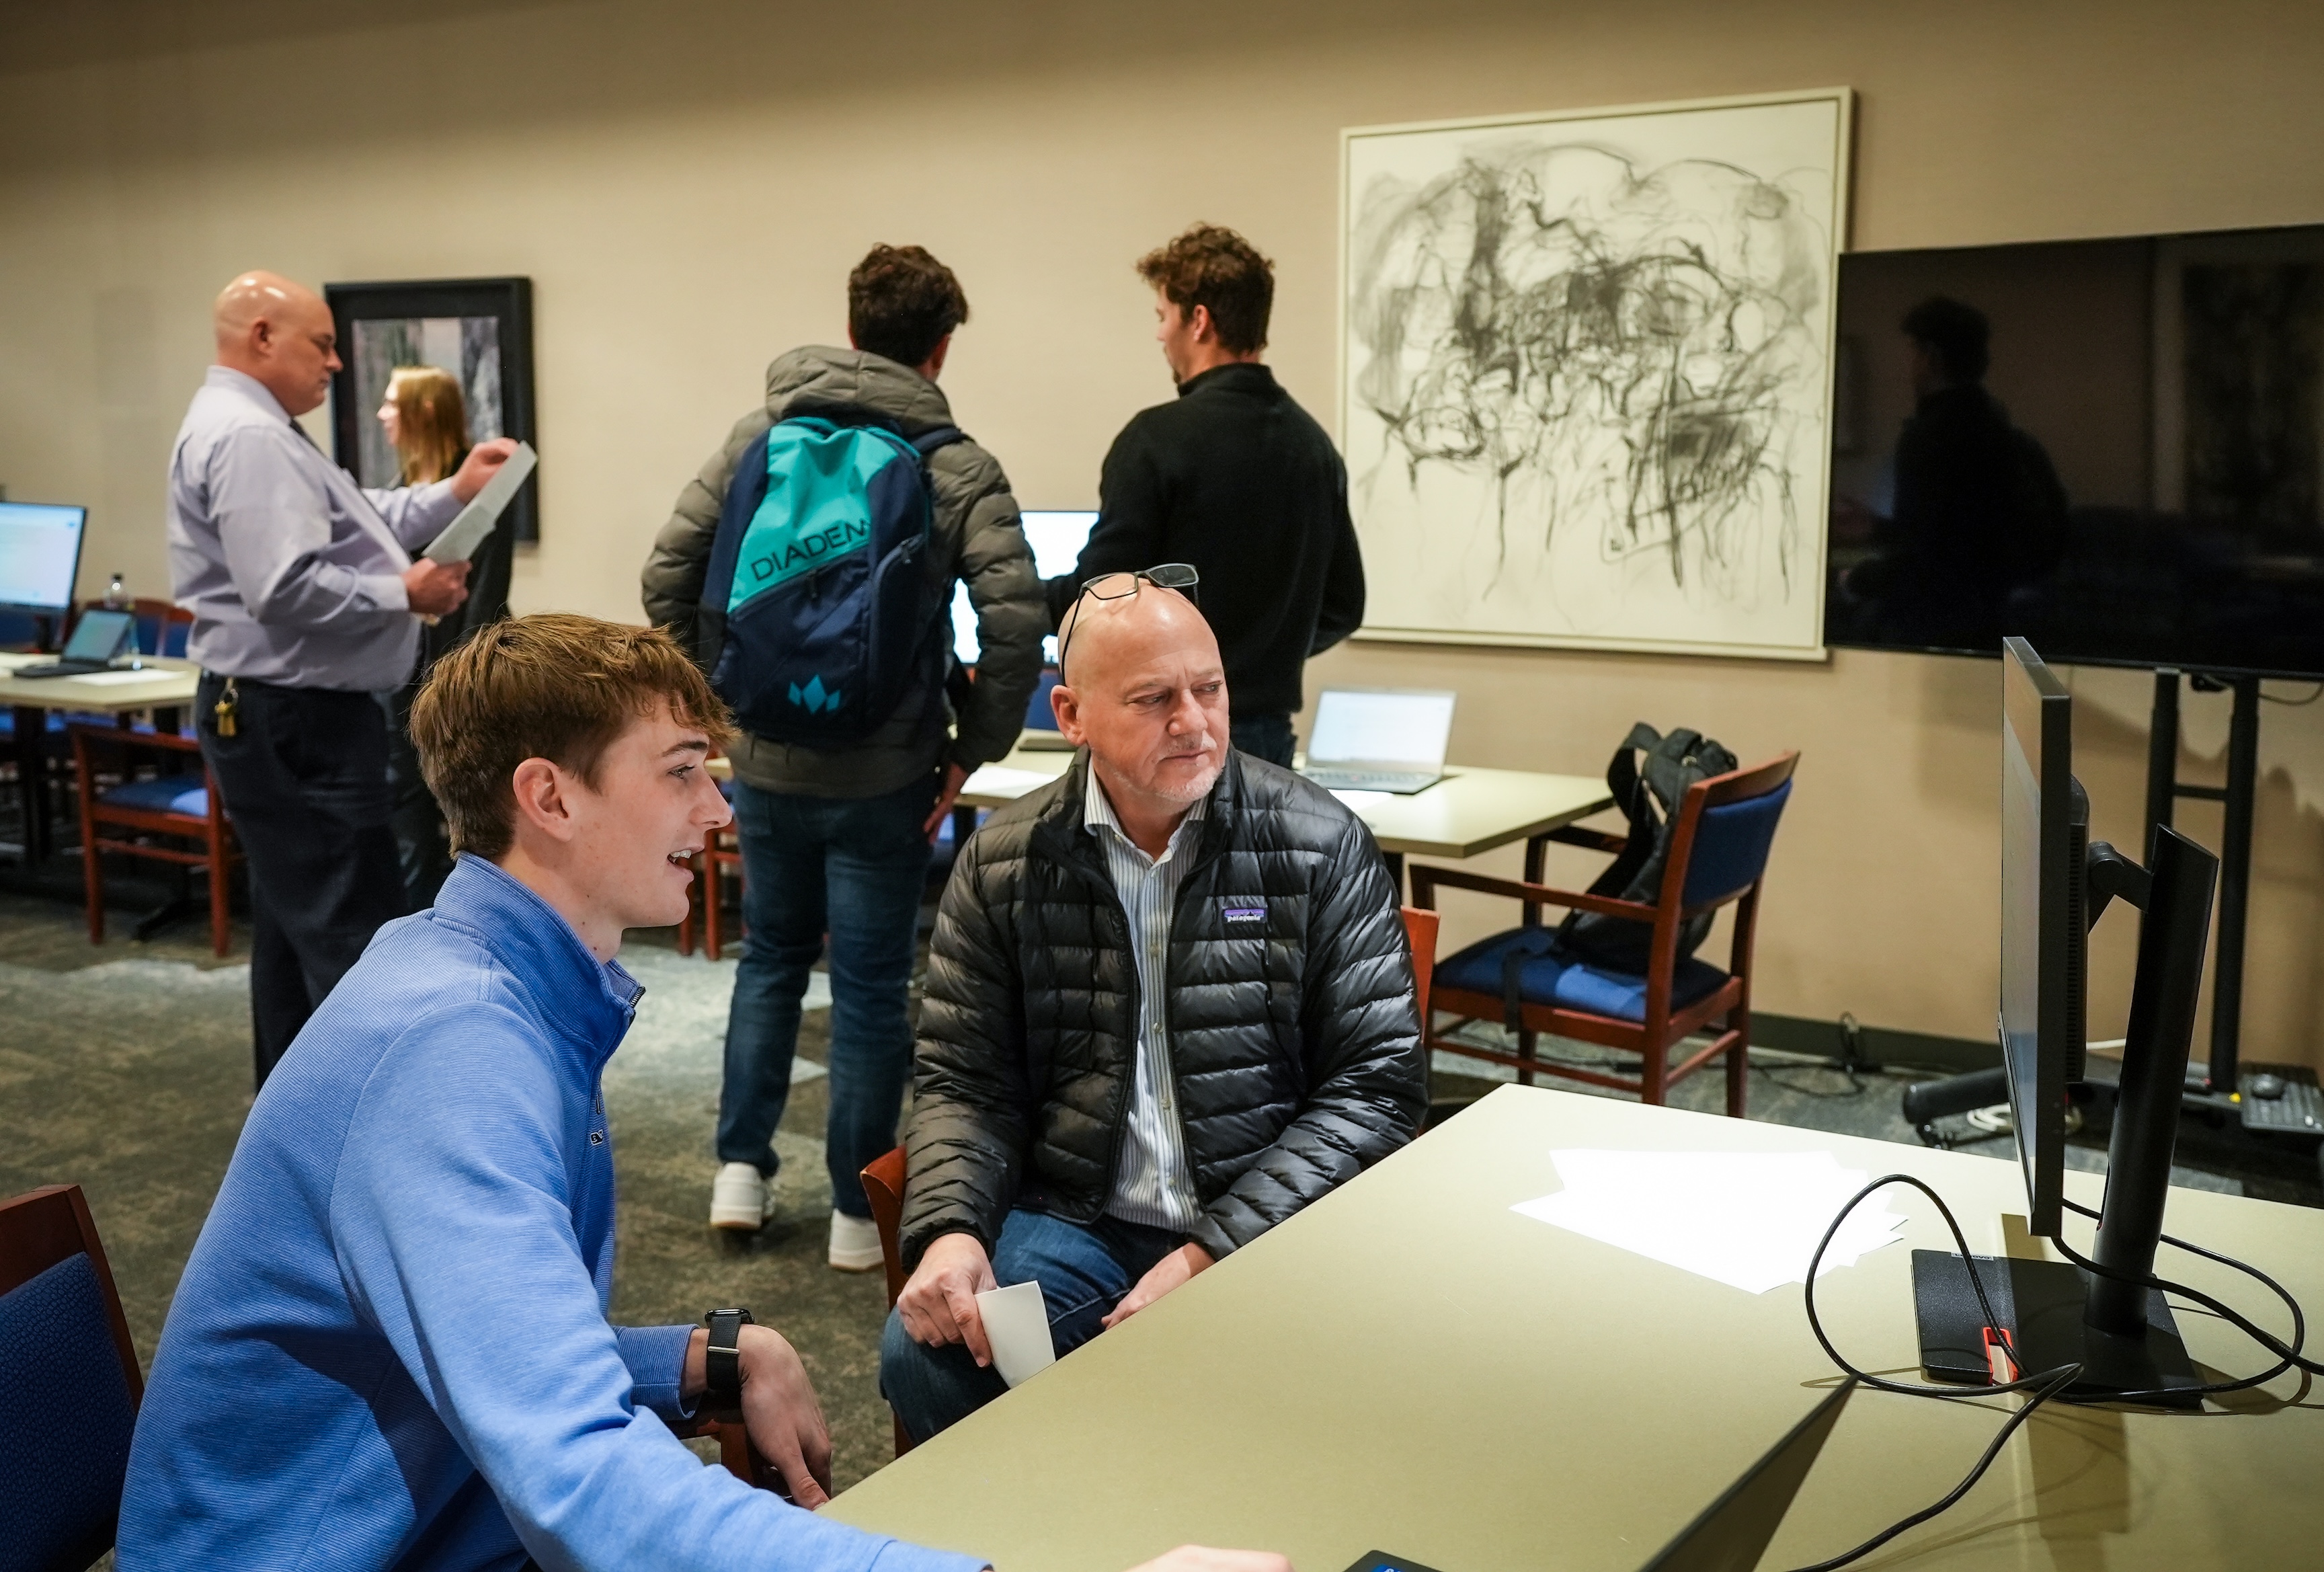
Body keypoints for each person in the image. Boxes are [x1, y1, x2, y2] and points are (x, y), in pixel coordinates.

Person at [117, 612, 1286, 1572]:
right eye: (681, 774)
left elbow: (481, 1346)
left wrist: (701, 1357)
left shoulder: (482, 988)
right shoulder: (455, 1053)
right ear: (551, 796)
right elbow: (579, 1471)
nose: (719, 812)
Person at [879, 574, 1425, 1442]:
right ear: (1071, 712)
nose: (1195, 721)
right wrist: (949, 1228)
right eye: (1154, 697)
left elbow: (1376, 1087)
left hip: (1269, 1215)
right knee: (924, 1358)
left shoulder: (1320, 844)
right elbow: (965, 1079)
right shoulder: (1003, 863)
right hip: (1082, 1217)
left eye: (1208, 688)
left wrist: (1214, 1249)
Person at [641, 244, 1049, 1269]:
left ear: (855, 327)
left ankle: (739, 1174)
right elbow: (1016, 625)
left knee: (768, 962)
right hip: (887, 776)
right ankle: (856, 1215)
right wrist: (970, 751)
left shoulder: (760, 436)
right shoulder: (957, 464)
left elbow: (665, 577)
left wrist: (720, 707)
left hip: (769, 770)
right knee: (870, 988)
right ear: (941, 345)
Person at [166, 270, 517, 1086]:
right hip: (297, 718)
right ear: (261, 337)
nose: (334, 364)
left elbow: (357, 520)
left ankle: (295, 1126)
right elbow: (283, 588)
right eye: (322, 345)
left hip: (281, 712)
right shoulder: (250, 436)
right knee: (353, 935)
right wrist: (408, 592)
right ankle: (374, 1136)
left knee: (296, 935)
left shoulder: (256, 426)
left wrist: (454, 493)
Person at [1047, 225, 1365, 769]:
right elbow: (1343, 606)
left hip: (1166, 737)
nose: (1159, 335)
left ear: (1199, 321)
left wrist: (1016, 597)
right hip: (1267, 744)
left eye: (1162, 316)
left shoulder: (1155, 440)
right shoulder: (1314, 448)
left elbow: (1099, 598)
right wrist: (1264, 657)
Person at [1846, 295, 2068, 650]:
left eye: (1913, 354)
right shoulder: (2009, 438)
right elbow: (1953, 535)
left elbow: (1929, 561)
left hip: (1938, 631)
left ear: (1931, 357)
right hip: (1994, 626)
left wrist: (1859, 580)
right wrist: (1877, 528)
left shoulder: (1929, 439)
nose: (1909, 367)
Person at [377, 364, 516, 910]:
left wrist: (456, 685)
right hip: (398, 677)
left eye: (393, 402)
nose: (384, 414)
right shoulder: (397, 493)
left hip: (458, 685)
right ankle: (410, 938)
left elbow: (487, 604)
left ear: (424, 410)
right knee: (407, 817)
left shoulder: (483, 490)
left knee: (470, 818)